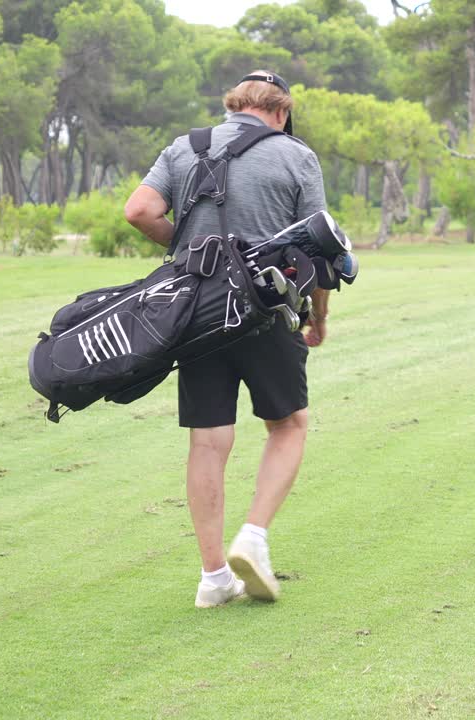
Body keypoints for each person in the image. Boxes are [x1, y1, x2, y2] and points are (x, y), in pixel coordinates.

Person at [123, 71, 331, 608]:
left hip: (195, 314)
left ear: (232, 106)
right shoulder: (295, 156)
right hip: (268, 314)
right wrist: (318, 319)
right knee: (288, 425)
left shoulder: (183, 147)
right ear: (281, 112)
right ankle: (253, 538)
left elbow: (139, 211)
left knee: (208, 440)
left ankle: (214, 576)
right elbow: (318, 250)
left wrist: (188, 246)